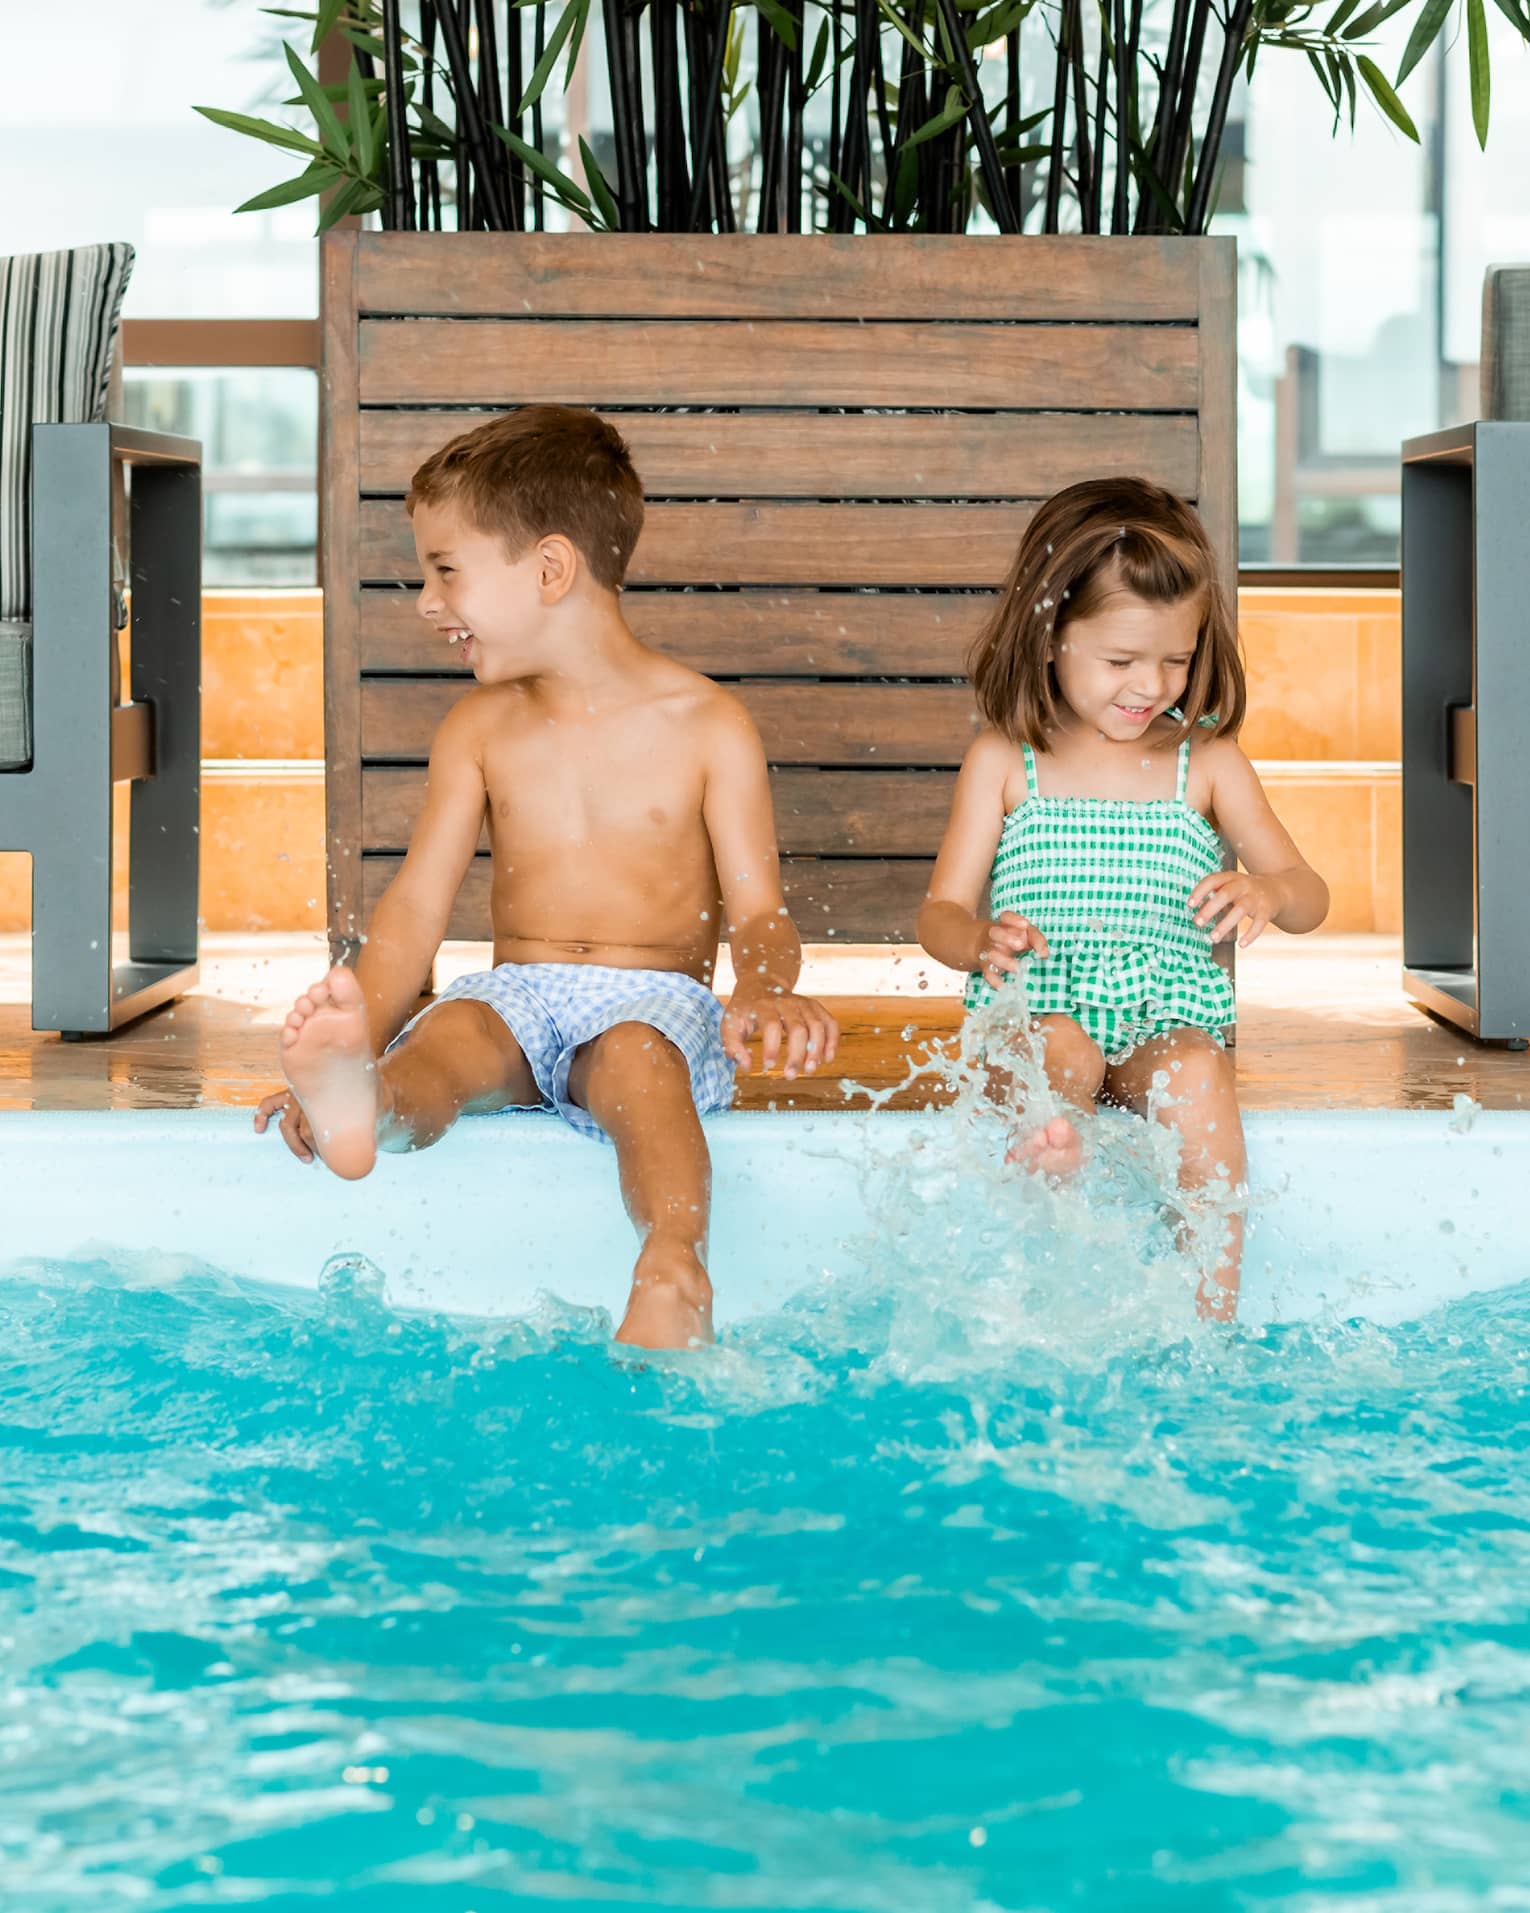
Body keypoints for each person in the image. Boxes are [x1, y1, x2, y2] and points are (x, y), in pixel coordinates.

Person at [255, 405, 838, 1351]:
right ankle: (365, 1102)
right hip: (519, 992)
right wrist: (359, 1018)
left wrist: (767, 987)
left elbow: (761, 912)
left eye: (446, 570)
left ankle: (673, 1262)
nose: (426, 602)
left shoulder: (708, 726)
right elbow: (413, 914)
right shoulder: (478, 730)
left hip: (653, 1000)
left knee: (638, 1061)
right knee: (450, 1036)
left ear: (550, 569)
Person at [917, 478, 1328, 1319]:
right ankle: (1054, 1185)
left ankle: (1210, 1315)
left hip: (1157, 1020)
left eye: (1176, 659)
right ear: (1049, 636)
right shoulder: (1005, 760)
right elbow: (938, 914)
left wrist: (1268, 889)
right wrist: (976, 940)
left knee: (1199, 1070)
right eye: (1121, 661)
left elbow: (1311, 895)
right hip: (1044, 1011)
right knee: (1058, 1050)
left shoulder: (1207, 762)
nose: (1151, 685)